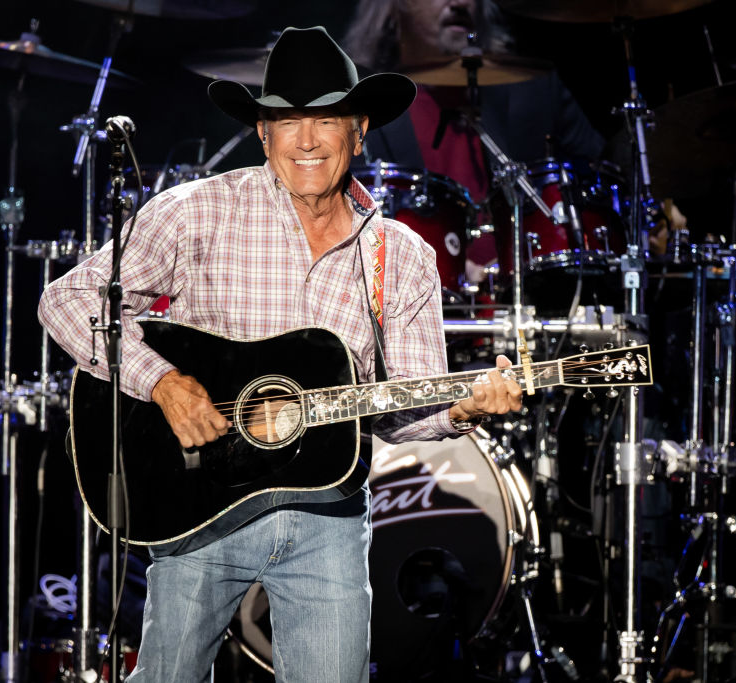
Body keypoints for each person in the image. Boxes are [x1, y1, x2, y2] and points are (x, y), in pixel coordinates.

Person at [38, 26, 522, 682]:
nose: (305, 140)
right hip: (200, 502)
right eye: (285, 121)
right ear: (263, 133)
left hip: (328, 517)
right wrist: (161, 381)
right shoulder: (197, 212)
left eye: (325, 119)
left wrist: (462, 407)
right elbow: (66, 301)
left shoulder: (401, 255)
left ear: (358, 128)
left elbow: (398, 408)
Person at [342, 0, 608, 282]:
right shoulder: (351, 106)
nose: (461, 3)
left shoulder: (535, 90)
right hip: (407, 303)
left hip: (530, 302)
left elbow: (605, 180)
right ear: (394, 6)